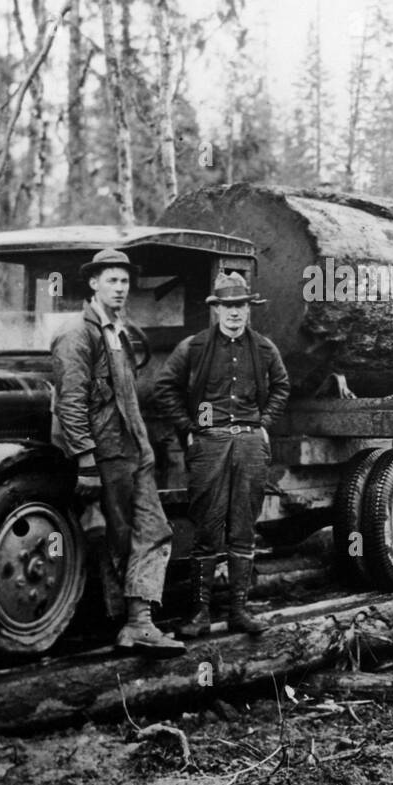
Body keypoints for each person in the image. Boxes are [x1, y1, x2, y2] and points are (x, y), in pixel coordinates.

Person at [49, 249, 184, 654]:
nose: (120, 288)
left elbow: (127, 396)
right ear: (93, 284)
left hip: (133, 450)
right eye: (112, 280)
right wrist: (87, 459)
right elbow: (70, 403)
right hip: (107, 454)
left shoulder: (118, 331)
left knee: (150, 530)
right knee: (120, 536)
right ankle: (128, 623)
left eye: (125, 281)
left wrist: (146, 448)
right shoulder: (78, 334)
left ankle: (138, 623)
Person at [154, 271, 290, 637]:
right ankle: (199, 615)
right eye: (228, 306)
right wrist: (189, 429)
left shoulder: (263, 348)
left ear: (249, 309)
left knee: (244, 528)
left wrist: (264, 422)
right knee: (206, 529)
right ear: (216, 310)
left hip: (249, 443)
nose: (234, 313)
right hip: (209, 443)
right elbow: (164, 388)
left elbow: (281, 385)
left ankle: (238, 613)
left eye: (241, 306)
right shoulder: (194, 347)